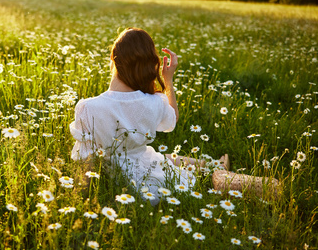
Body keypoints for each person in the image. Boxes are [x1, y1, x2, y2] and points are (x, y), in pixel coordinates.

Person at [69, 27, 228, 205]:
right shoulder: (155, 102)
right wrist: (168, 81)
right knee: (160, 158)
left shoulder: (87, 107)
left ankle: (214, 166)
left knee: (160, 157)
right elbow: (172, 120)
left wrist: (82, 198)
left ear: (113, 59)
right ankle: (214, 166)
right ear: (149, 64)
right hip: (145, 172)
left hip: (112, 178)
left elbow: (86, 161)